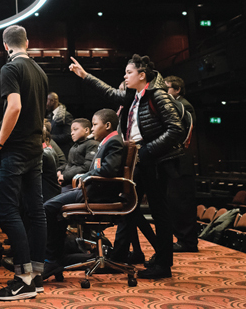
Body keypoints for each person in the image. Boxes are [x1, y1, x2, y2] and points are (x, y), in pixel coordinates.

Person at [68, 54, 185, 280]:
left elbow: (176, 129)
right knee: (128, 209)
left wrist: (147, 151)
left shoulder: (158, 95)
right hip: (141, 159)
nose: (125, 76)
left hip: (155, 160)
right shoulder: (135, 95)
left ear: (142, 76)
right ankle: (120, 256)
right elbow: (110, 92)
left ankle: (163, 264)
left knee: (159, 213)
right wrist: (85, 76)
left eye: (129, 72)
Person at [0, 25, 48, 301]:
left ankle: (22, 280)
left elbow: (14, 107)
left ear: (5, 45)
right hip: (36, 148)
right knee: (35, 211)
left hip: (16, 150)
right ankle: (35, 277)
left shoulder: (10, 68)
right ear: (27, 41)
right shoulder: (40, 71)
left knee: (8, 211)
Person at [42, 109, 125, 279]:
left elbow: (108, 169)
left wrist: (85, 176)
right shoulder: (107, 141)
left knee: (48, 207)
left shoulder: (114, 142)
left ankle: (53, 259)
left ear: (107, 125)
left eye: (95, 124)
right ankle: (56, 258)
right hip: (91, 190)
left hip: (97, 194)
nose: (92, 128)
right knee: (53, 208)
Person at [164, 75, 198, 253]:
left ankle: (188, 242)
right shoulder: (175, 104)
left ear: (177, 90)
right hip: (175, 160)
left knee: (183, 203)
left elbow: (185, 133)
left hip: (181, 160)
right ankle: (183, 240)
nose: (164, 92)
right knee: (175, 202)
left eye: (167, 88)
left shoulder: (183, 105)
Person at [57, 119, 99, 190]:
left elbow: (87, 167)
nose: (72, 133)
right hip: (68, 182)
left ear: (86, 130)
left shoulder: (92, 144)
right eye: (71, 131)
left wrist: (65, 176)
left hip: (79, 184)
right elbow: (69, 164)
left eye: (75, 129)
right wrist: (60, 170)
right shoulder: (75, 146)